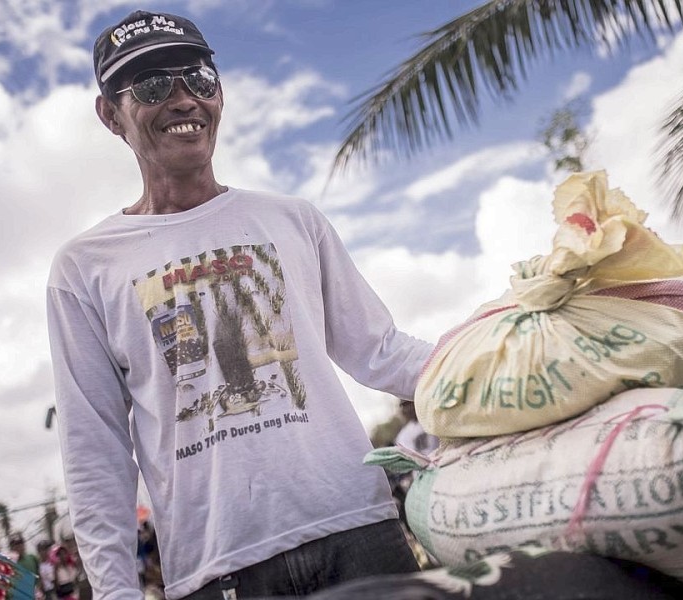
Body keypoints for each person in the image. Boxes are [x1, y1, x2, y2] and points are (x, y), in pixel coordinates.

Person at [46, 10, 433, 600]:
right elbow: (94, 448)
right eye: (152, 86)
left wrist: (500, 354)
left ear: (219, 93)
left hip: (358, 531)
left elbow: (378, 350)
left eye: (198, 79)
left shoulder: (292, 219)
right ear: (110, 115)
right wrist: (116, 591)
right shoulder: (84, 267)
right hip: (217, 568)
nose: (182, 99)